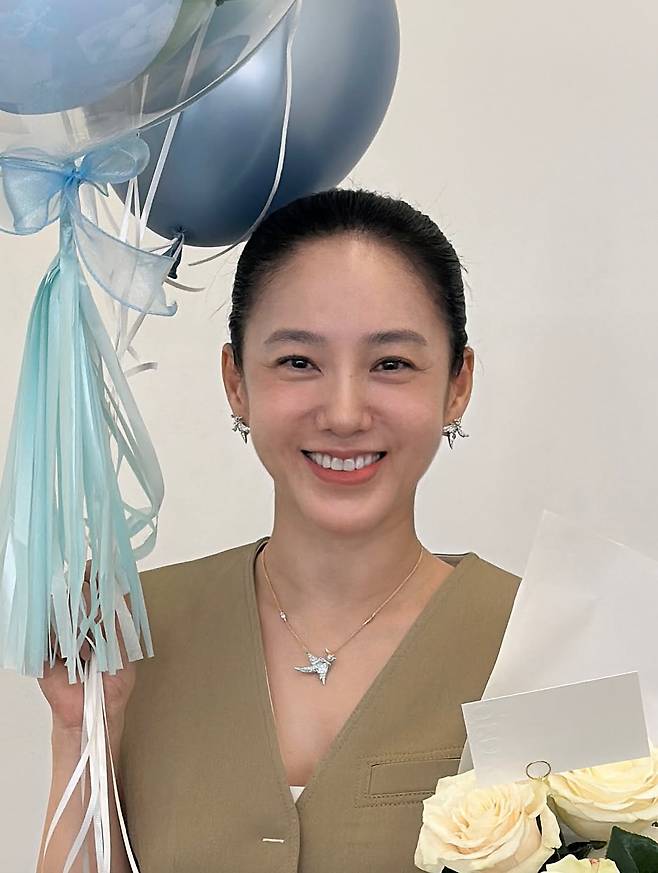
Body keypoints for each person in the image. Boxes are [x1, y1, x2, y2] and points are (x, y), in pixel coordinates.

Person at [37, 188, 519, 873]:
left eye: (391, 364)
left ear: (457, 384)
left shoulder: (541, 637)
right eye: (298, 361)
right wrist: (79, 729)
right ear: (236, 380)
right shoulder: (131, 631)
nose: (345, 413)